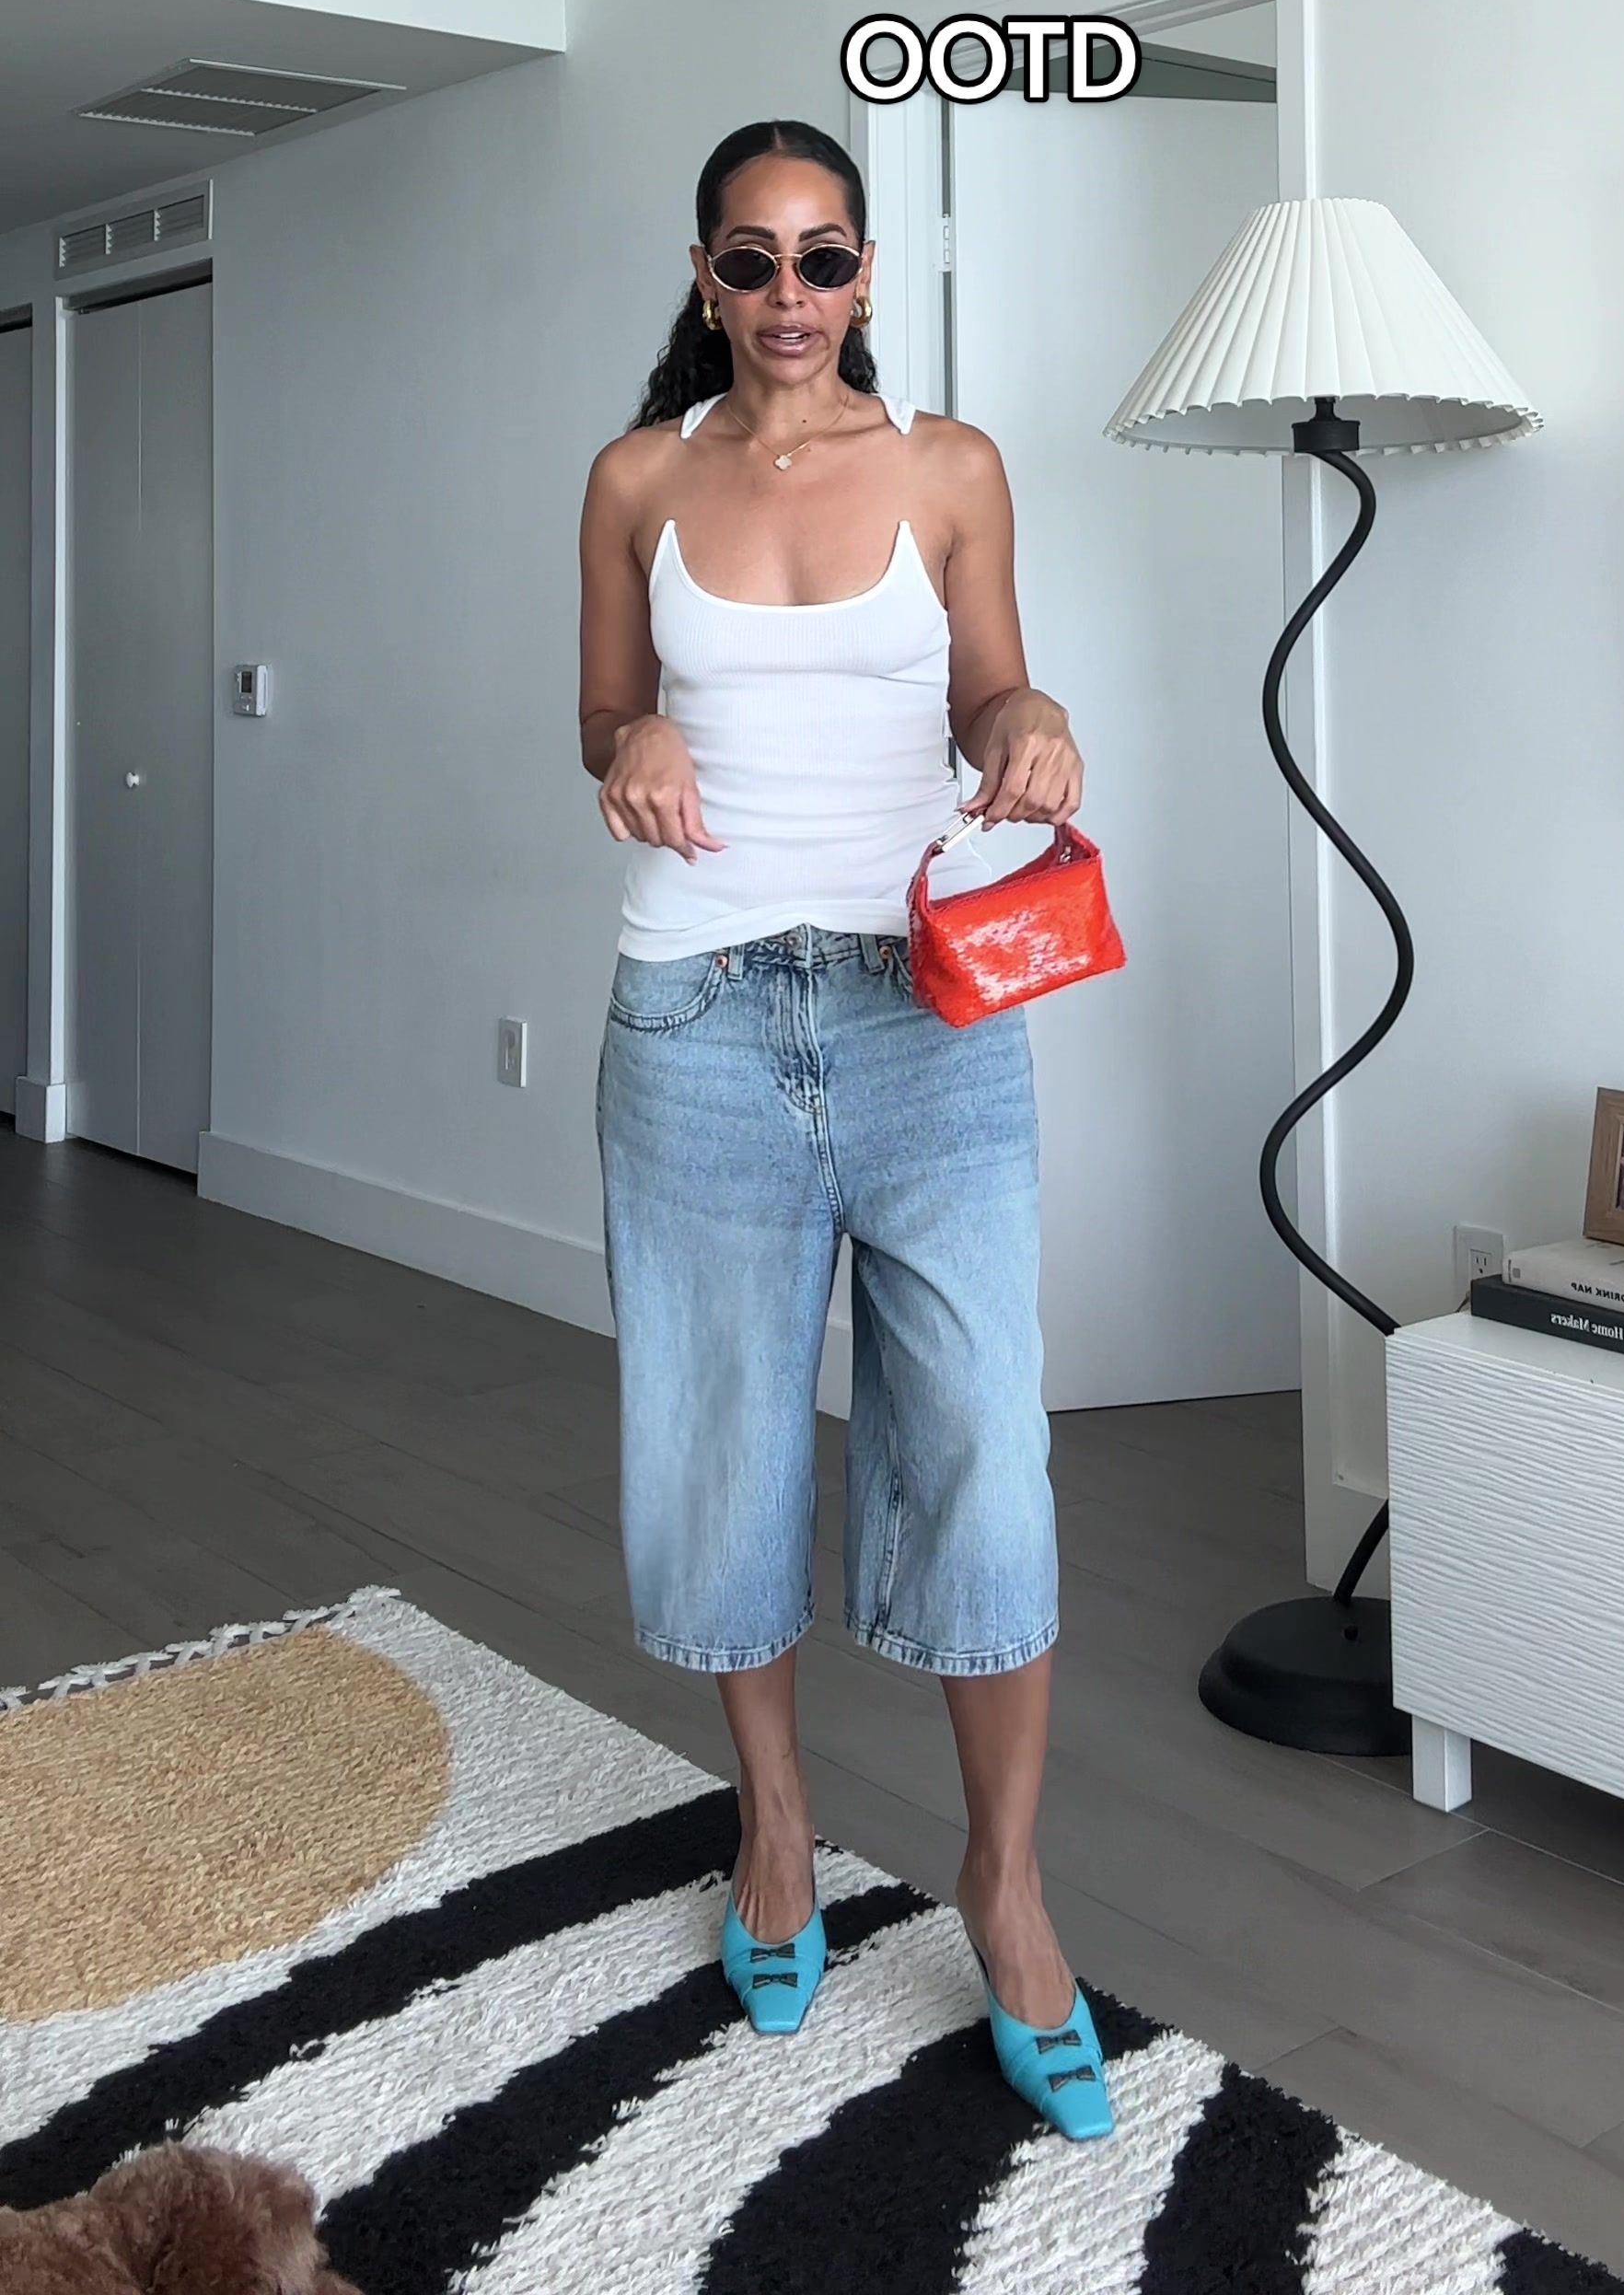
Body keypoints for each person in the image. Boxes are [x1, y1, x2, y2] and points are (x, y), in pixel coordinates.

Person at [576, 117, 1113, 2143]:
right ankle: (778, 1826)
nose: (789, 294)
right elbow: (597, 718)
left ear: (866, 276)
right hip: (697, 1013)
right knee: (723, 1435)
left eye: (822, 258)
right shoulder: (637, 480)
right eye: (752, 259)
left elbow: (989, 696)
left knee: (984, 1442)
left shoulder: (952, 468)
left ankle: (1008, 1887)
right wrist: (630, 735)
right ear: (706, 279)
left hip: (927, 1018)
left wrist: (1027, 722)